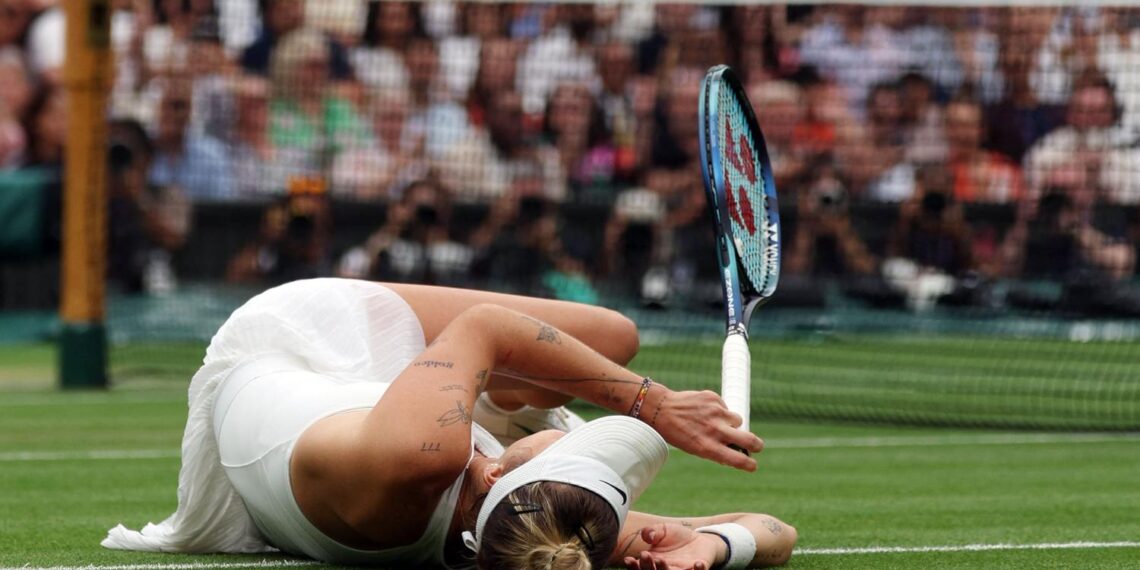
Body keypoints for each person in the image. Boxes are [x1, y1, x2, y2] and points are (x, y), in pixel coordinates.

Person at [102, 278, 796, 569]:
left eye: (563, 442)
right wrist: (706, 551)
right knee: (611, 336)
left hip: (300, 347)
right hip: (373, 414)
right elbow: (772, 530)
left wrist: (654, 406)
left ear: (496, 467)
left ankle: (504, 390)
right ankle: (509, 394)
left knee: (597, 347)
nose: (570, 427)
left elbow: (485, 327)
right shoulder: (547, 539)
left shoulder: (425, 456)